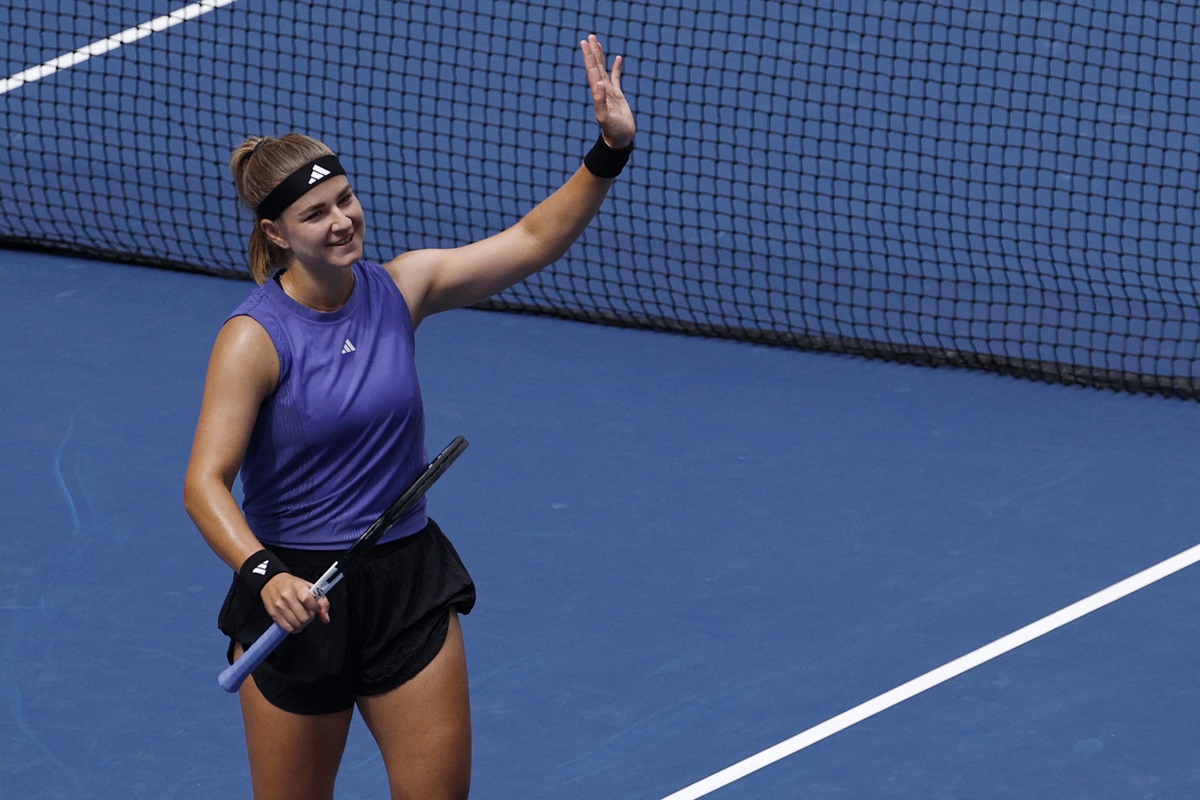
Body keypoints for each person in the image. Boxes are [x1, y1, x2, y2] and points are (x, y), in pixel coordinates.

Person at [182, 34, 635, 800]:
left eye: (345, 200)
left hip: (407, 579)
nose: (342, 221)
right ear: (275, 234)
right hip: (296, 593)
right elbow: (205, 482)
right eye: (316, 213)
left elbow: (530, 242)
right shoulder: (253, 339)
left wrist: (607, 151)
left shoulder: (402, 288)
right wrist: (264, 577)